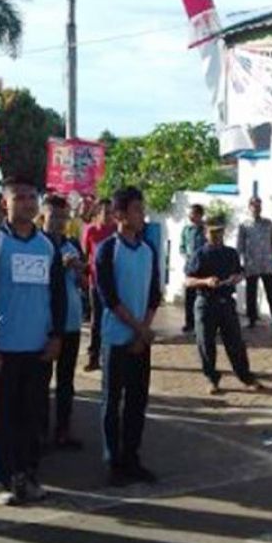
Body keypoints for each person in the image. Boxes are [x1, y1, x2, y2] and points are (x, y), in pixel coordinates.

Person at [0, 177, 66, 506]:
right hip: (2, 350)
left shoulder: (47, 245)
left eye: (32, 197)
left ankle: (29, 475)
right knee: (1, 420)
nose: (28, 203)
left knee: (32, 418)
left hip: (37, 349)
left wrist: (56, 336)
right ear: (5, 204)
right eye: (20, 198)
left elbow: (57, 295)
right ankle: (3, 482)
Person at [96, 186, 161, 486]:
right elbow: (108, 297)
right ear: (119, 215)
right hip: (116, 337)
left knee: (137, 401)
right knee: (112, 401)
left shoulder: (148, 249)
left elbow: (153, 294)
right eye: (136, 209)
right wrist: (138, 329)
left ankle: (132, 457)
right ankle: (113, 461)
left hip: (140, 339)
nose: (142, 214)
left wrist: (144, 331)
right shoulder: (107, 250)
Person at [186, 214, 263, 395]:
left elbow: (241, 272)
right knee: (206, 343)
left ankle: (245, 376)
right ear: (206, 233)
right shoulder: (199, 255)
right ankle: (212, 378)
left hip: (226, 302)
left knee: (235, 341)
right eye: (213, 232)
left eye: (220, 232)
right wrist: (205, 281)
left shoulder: (230, 253)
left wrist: (237, 278)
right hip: (205, 303)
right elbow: (188, 280)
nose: (217, 236)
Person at [41, 195, 85, 449]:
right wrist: (58, 265)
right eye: (54, 216)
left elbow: (81, 282)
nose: (58, 222)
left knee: (66, 380)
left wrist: (78, 271)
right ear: (43, 217)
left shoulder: (72, 245)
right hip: (45, 323)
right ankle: (40, 431)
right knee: (42, 380)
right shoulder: (37, 245)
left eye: (63, 217)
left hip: (71, 322)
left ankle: (63, 430)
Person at [82, 198, 117, 371]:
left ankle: (109, 354)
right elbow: (85, 256)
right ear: (97, 213)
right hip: (95, 282)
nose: (108, 216)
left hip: (114, 282)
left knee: (113, 318)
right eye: (105, 212)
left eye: (111, 212)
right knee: (96, 321)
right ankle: (93, 356)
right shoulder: (90, 231)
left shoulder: (116, 230)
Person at [237, 197, 272, 329]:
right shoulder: (244, 225)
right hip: (251, 263)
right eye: (254, 205)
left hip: (267, 263)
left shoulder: (268, 224)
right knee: (251, 293)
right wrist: (238, 262)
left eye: (258, 205)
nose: (256, 208)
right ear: (249, 207)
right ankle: (252, 319)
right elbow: (240, 245)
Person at [180, 204, 206, 333]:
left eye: (193, 214)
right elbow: (182, 246)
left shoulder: (206, 230)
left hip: (204, 267)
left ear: (200, 215)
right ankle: (189, 322)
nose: (191, 216)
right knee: (189, 296)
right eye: (190, 214)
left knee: (202, 296)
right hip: (190, 267)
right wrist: (186, 255)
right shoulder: (186, 230)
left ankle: (201, 323)